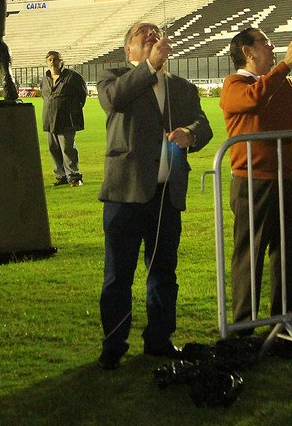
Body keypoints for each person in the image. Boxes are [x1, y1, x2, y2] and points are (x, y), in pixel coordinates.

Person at [95, 21, 212, 370]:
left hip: (166, 195)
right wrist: (149, 66)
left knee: (163, 272)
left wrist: (191, 134)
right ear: (128, 49)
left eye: (155, 31)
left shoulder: (181, 87)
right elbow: (115, 100)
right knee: (118, 275)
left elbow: (203, 124)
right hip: (125, 194)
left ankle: (159, 340)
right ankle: (113, 345)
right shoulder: (113, 77)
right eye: (141, 33)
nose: (150, 34)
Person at [220, 28, 292, 328]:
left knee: (286, 251)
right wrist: (285, 66)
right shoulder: (234, 85)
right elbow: (254, 99)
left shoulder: (285, 85)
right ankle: (244, 323)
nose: (272, 47)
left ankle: (283, 316)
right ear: (248, 52)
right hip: (253, 180)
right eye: (265, 43)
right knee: (250, 253)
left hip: (287, 177)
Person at [40, 50, 87, 187]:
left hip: (66, 119)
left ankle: (74, 176)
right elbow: (45, 96)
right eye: (50, 60)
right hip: (49, 119)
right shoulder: (45, 79)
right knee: (53, 149)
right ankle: (61, 176)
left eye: (55, 59)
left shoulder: (72, 77)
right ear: (46, 62)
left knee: (68, 149)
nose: (52, 62)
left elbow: (82, 95)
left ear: (61, 62)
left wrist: (72, 110)